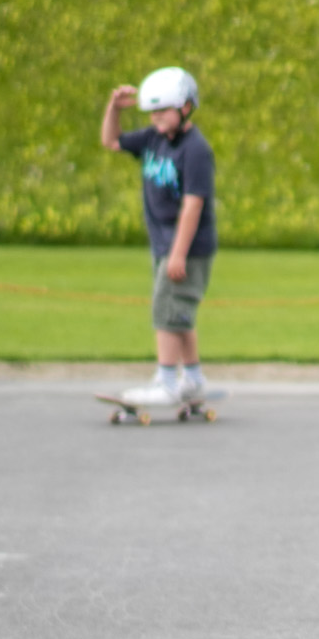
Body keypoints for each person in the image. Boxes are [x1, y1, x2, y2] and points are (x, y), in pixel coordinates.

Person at [101, 67, 216, 405]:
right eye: (152, 112)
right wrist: (114, 109)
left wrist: (178, 253)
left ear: (184, 108)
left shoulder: (195, 149)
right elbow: (111, 141)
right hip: (165, 244)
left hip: (187, 247)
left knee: (166, 309)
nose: (155, 118)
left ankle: (167, 382)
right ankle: (192, 379)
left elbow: (193, 205)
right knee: (178, 312)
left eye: (162, 111)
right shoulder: (153, 139)